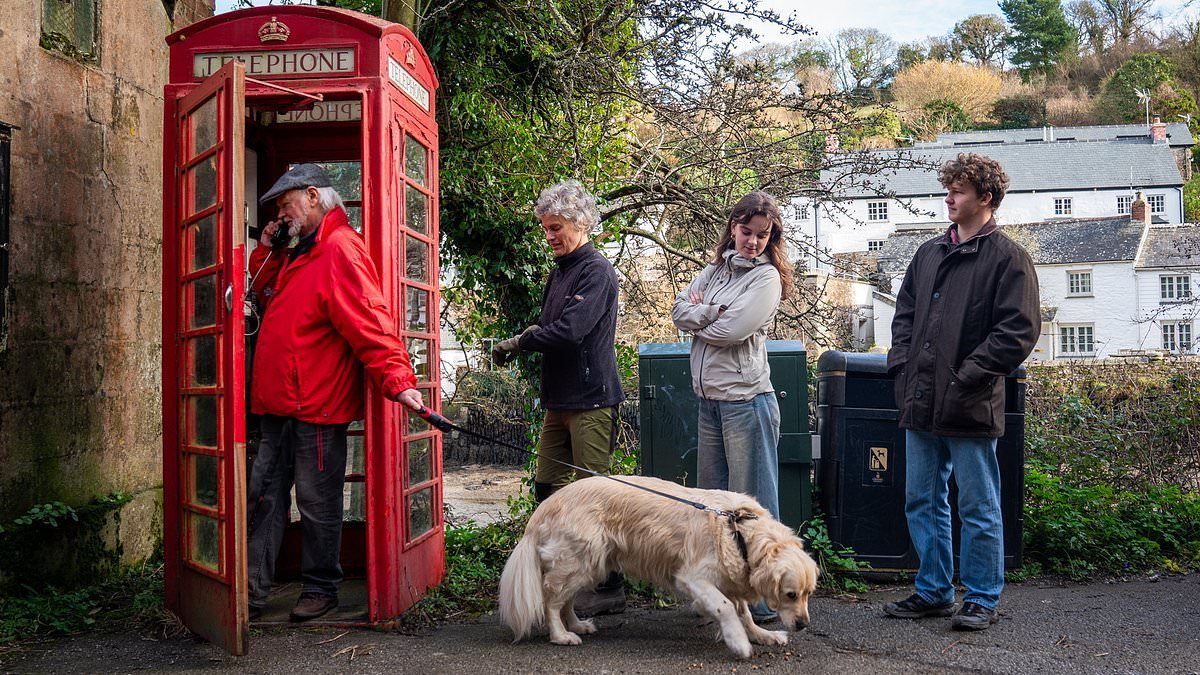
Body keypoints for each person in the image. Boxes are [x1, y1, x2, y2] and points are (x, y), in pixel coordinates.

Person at [245, 164, 425, 622]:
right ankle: (249, 590)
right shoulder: (297, 251)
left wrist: (399, 381)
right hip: (274, 403)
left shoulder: (340, 248)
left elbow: (370, 319)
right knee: (262, 497)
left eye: (285, 206)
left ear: (311, 196)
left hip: (317, 405)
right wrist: (267, 247)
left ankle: (322, 588)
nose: (281, 215)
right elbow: (254, 294)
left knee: (318, 502)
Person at [884, 153, 1040, 631]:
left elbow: (1018, 331)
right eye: (947, 190)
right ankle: (933, 591)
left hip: (970, 401)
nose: (948, 198)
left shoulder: (1008, 258)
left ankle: (981, 598)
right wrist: (901, 367)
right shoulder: (929, 252)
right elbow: (905, 313)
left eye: (958, 191)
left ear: (985, 198)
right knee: (921, 499)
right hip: (920, 399)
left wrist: (969, 375)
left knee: (978, 505)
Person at [491, 179, 626, 617]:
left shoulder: (597, 271)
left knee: (596, 499)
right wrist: (529, 336)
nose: (549, 236)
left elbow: (570, 331)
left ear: (582, 223)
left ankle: (608, 586)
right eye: (546, 228)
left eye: (556, 227)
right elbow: (554, 326)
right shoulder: (561, 270)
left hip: (591, 399)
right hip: (559, 399)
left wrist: (520, 342)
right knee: (547, 489)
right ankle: (553, 573)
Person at [670, 190, 794, 623]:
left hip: (746, 402)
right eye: (746, 231)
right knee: (713, 509)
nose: (753, 242)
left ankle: (763, 602)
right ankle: (723, 598)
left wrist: (705, 315)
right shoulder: (715, 270)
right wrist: (707, 312)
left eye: (763, 235)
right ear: (733, 228)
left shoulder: (766, 279)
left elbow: (731, 330)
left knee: (754, 509)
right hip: (709, 403)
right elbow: (678, 311)